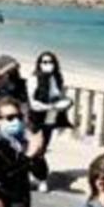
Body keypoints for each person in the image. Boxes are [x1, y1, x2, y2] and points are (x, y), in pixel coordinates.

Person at [26, 51, 73, 193]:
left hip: (51, 118)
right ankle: (41, 178)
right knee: (37, 149)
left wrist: (63, 104)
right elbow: (33, 103)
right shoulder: (34, 79)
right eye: (44, 62)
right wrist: (50, 106)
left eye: (50, 62)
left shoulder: (57, 79)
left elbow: (60, 95)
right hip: (37, 118)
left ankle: (35, 176)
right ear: (39, 64)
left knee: (43, 148)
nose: (48, 65)